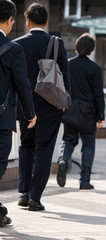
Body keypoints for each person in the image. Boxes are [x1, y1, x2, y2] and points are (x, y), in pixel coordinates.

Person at [14, 3, 70, 211]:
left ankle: (24, 193)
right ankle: (36, 197)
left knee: (26, 145)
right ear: (47, 23)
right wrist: (65, 102)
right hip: (50, 106)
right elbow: (65, 75)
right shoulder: (56, 43)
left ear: (26, 21)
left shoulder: (17, 44)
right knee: (44, 149)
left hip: (24, 106)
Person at [0, 0, 37, 226]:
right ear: (11, 20)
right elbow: (22, 84)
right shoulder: (13, 50)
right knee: (0, 163)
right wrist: (30, 112)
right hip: (2, 119)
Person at [56, 33, 105, 190]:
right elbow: (99, 94)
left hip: (70, 109)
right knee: (88, 145)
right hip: (88, 113)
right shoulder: (95, 69)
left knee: (68, 139)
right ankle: (84, 181)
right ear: (91, 50)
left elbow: (61, 87)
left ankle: (63, 160)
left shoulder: (68, 65)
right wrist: (101, 115)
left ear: (76, 48)